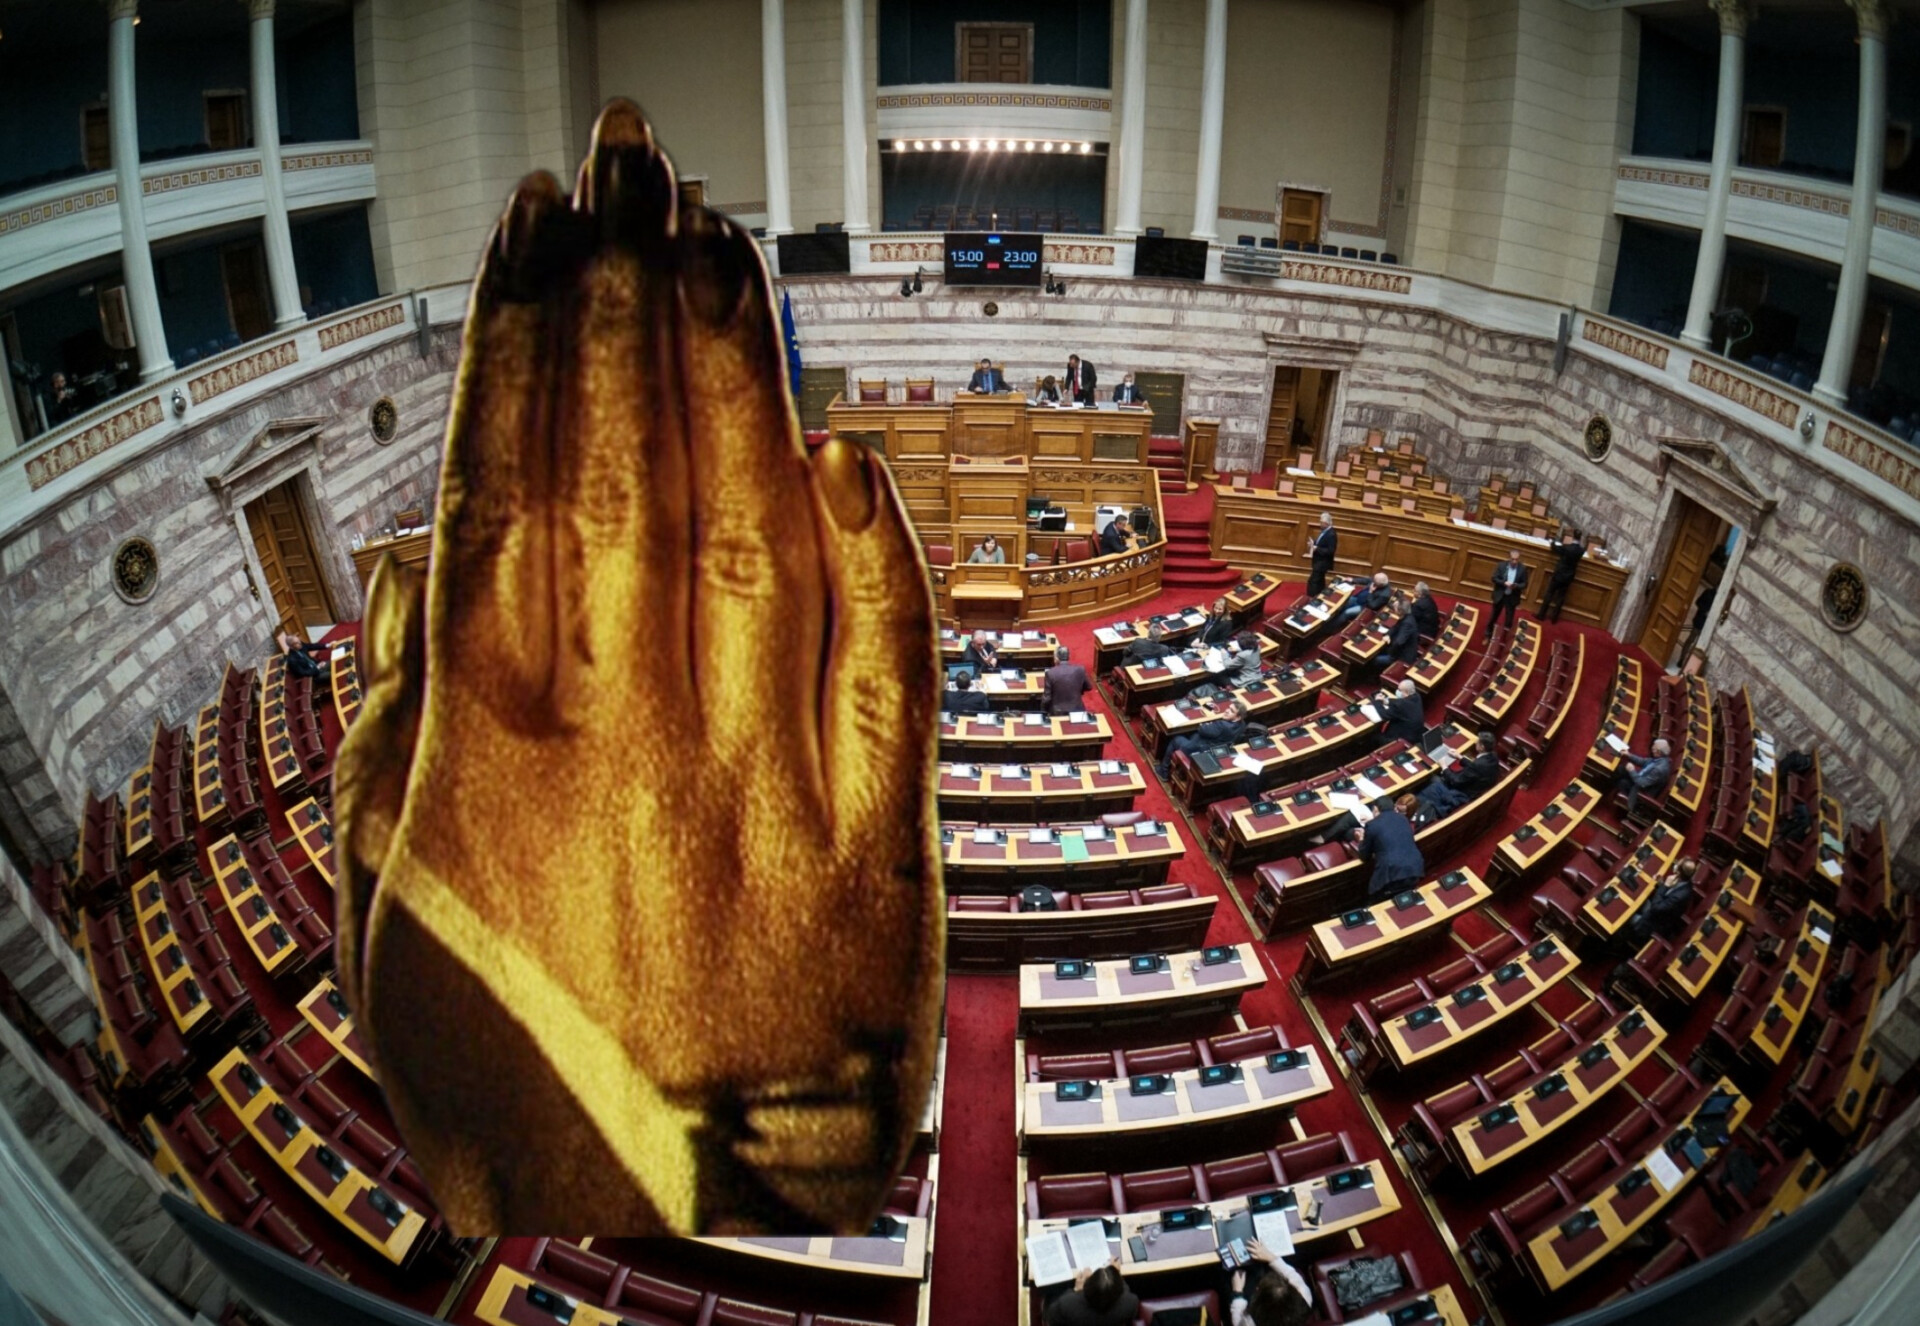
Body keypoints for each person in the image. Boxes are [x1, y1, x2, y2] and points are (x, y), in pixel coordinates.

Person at [1159, 697, 1267, 778]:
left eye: (1231, 711)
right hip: (1216, 749)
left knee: (1176, 739)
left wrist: (1206, 725)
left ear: (1238, 717)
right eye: (1229, 708)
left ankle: (1163, 771)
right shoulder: (1242, 724)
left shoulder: (1222, 725)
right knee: (1192, 735)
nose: (1227, 710)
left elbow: (1202, 729)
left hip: (1200, 749)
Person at [1226, 1238, 1315, 1326]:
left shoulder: (1249, 1322)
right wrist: (1272, 1258)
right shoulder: (1304, 1297)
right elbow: (1291, 1274)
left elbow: (1237, 1321)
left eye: (1258, 1289)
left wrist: (1237, 1293)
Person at [1622, 857, 1700, 949]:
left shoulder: (1680, 896)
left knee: (1625, 915)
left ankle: (1622, 942)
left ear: (1679, 872)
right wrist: (1661, 884)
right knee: (1638, 897)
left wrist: (1665, 886)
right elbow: (1666, 897)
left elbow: (1656, 907)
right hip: (1657, 914)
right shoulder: (1685, 883)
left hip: (1652, 924)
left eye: (1677, 864)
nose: (1675, 864)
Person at [1418, 729, 1501, 815]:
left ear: (1482, 747)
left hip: (1462, 793)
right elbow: (1476, 769)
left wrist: (1444, 766)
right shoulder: (1493, 756)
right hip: (1475, 787)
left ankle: (1419, 803)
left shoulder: (1477, 765)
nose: (1476, 742)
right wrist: (1459, 757)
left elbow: (1456, 781)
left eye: (1478, 742)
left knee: (1433, 778)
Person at [1358, 793, 1426, 898]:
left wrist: (1361, 839)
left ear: (1375, 809)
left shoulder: (1372, 825)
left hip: (1391, 874)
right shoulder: (1403, 819)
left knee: (1372, 896)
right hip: (1415, 868)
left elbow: (1364, 856)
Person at [1044, 1261, 1138, 1326]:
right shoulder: (1131, 1302)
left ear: (1087, 1286)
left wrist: (1076, 1289)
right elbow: (1124, 1289)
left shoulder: (1067, 1304)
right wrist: (1116, 1273)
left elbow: (1051, 1318)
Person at [1615, 738, 1673, 817]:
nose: (1652, 749)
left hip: (1641, 792)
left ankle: (1622, 813)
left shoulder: (1659, 770)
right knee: (1621, 769)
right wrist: (1629, 755)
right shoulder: (1661, 759)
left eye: (1654, 748)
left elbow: (1642, 783)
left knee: (1622, 782)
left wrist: (1632, 770)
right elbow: (1643, 761)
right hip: (1642, 778)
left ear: (1658, 752)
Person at [1538, 527, 1587, 623]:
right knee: (1561, 597)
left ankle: (1541, 615)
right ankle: (1554, 618)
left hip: (1559, 574)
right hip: (1569, 576)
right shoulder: (1581, 551)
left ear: (1573, 536)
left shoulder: (1566, 548)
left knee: (1550, 593)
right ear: (1580, 538)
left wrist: (1552, 542)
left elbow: (1554, 549)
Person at [1486, 548, 1530, 641]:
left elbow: (1525, 584)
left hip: (1512, 597)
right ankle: (1488, 635)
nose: (1514, 562)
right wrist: (1504, 583)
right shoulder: (1501, 565)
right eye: (1512, 559)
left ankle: (1504, 639)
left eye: (1516, 559)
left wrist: (1516, 586)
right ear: (1509, 558)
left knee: (1509, 621)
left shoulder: (1522, 569)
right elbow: (1494, 578)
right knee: (1493, 617)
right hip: (1500, 595)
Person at [1042, 645, 1093, 715]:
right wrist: (1077, 689)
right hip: (1077, 710)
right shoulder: (1080, 670)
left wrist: (1043, 711)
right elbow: (1089, 687)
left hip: (1057, 712)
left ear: (1056, 658)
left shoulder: (1050, 673)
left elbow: (1047, 698)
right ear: (1069, 656)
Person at [1377, 678, 1425, 746]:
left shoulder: (1401, 705)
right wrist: (1387, 701)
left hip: (1400, 740)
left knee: (1374, 737)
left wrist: (1378, 702)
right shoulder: (1417, 696)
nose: (1397, 691)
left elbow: (1384, 714)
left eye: (1399, 690)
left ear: (1406, 692)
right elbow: (1402, 702)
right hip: (1414, 736)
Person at [1307, 512, 1337, 596]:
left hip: (1322, 563)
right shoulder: (1325, 531)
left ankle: (1311, 598)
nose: (1319, 524)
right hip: (1319, 561)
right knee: (1319, 581)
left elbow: (1331, 551)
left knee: (1313, 581)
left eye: (1321, 522)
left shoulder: (1331, 534)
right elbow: (1321, 543)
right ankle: (1321, 596)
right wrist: (1313, 544)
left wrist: (1317, 548)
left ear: (1326, 523)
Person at [1384, 596, 1420, 665]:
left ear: (1400, 611)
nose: (1393, 609)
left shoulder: (1407, 623)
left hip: (1403, 657)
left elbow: (1399, 642)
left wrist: (1390, 653)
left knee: (1376, 660)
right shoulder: (1406, 616)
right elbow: (1395, 627)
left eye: (1394, 608)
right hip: (1400, 649)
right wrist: (1388, 634)